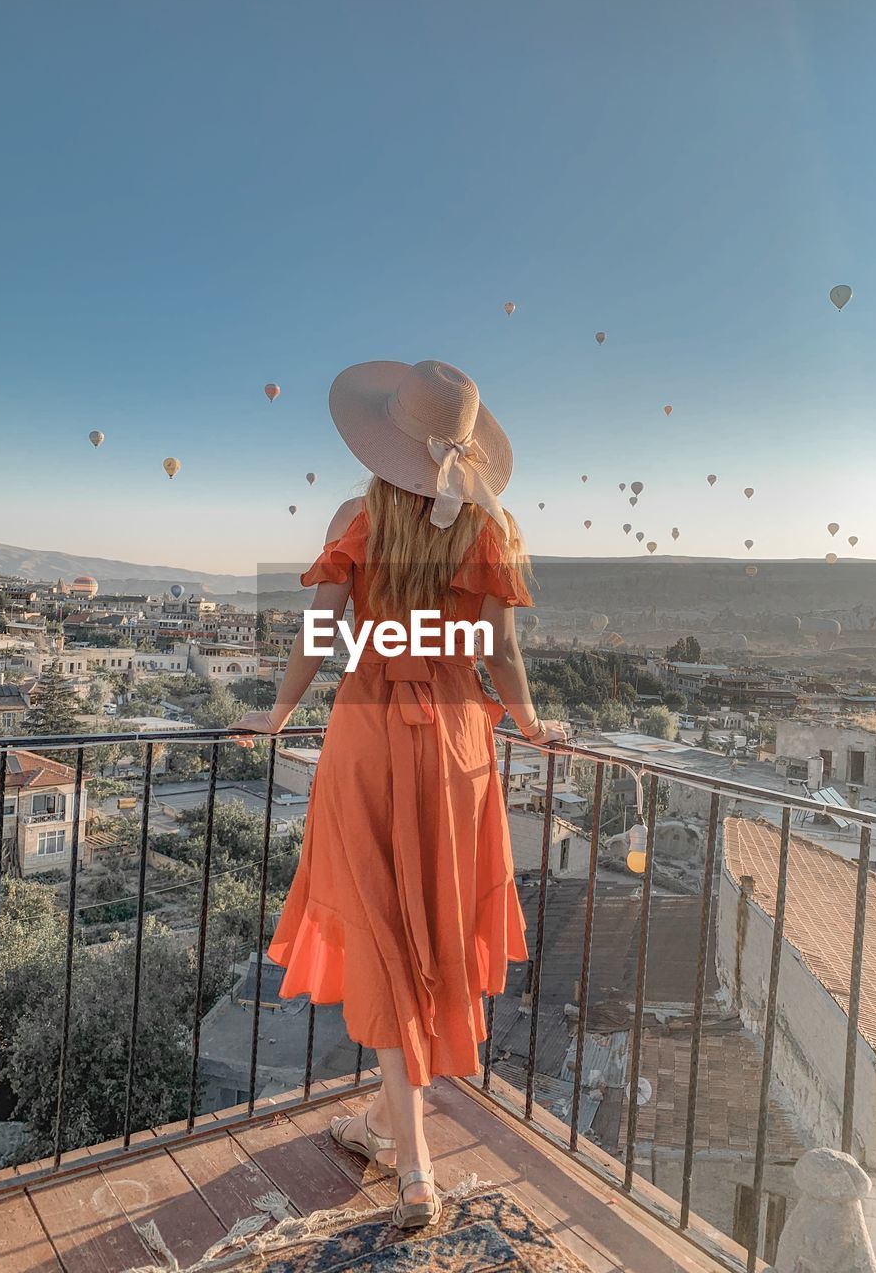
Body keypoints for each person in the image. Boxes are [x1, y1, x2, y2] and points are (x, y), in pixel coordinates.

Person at [235, 359, 567, 1229]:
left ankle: (413, 1166)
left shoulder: (356, 517)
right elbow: (499, 650)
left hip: (370, 731)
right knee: (436, 922)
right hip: (459, 740)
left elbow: (319, 629)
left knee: (385, 929)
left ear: (384, 438)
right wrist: (528, 721)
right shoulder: (487, 528)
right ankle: (384, 1125)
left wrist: (277, 714)